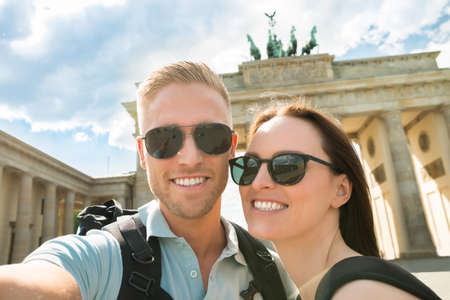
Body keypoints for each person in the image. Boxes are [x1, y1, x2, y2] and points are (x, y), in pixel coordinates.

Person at [0, 62, 298, 300]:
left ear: (232, 148)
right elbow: (42, 279)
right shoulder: (101, 258)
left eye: (211, 136)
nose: (189, 158)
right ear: (143, 153)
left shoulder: (277, 275)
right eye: (164, 139)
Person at [229, 104, 441, 300]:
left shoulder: (359, 294)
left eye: (287, 166)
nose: (258, 182)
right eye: (249, 166)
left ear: (340, 190)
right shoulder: (330, 288)